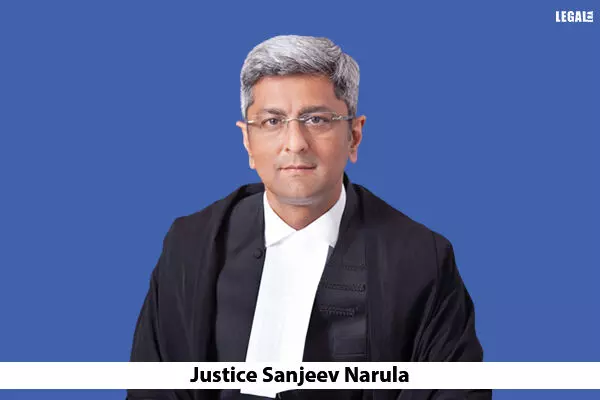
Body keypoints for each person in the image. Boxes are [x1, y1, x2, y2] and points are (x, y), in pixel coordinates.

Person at [127, 35, 491, 400]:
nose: (295, 142)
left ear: (354, 136)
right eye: (272, 121)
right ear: (248, 141)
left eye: (316, 119)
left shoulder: (421, 260)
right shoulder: (191, 246)